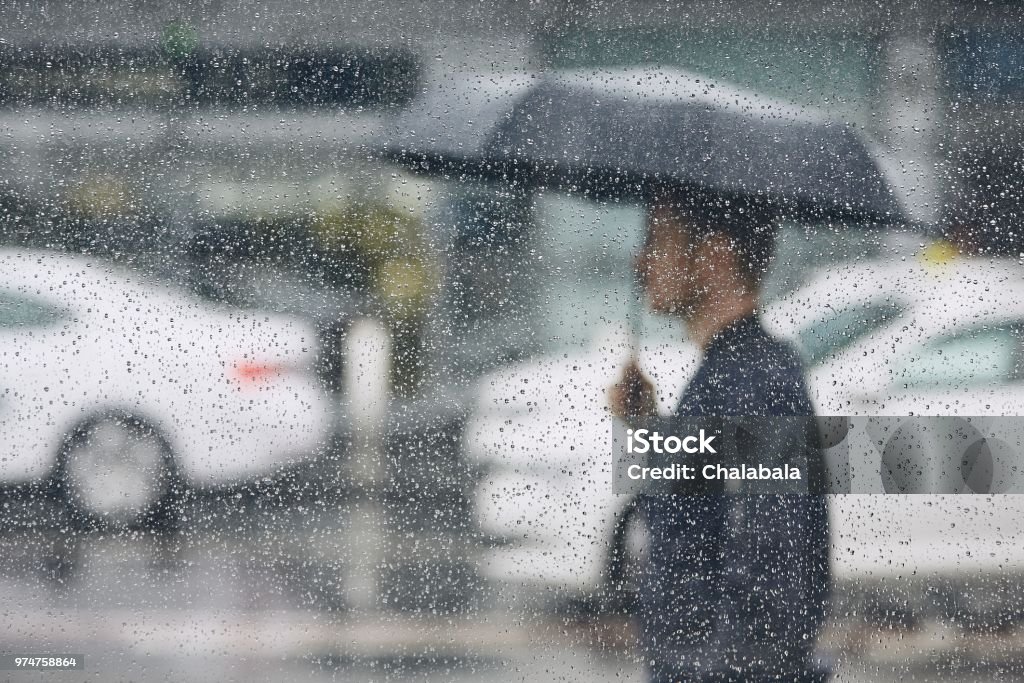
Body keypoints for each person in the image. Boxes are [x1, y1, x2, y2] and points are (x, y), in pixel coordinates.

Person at [610, 188, 831, 682]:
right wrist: (645, 426)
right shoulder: (727, 374)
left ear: (715, 255)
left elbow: (774, 579)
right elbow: (686, 525)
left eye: (659, 242)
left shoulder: (755, 384)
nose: (639, 262)